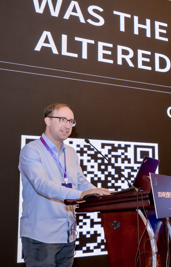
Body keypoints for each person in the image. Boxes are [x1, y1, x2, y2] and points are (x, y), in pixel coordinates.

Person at [19, 103, 113, 267]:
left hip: (68, 235)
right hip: (41, 237)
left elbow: (80, 182)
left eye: (71, 121)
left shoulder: (71, 152)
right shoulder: (31, 150)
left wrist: (101, 193)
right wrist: (80, 195)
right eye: (62, 119)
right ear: (47, 120)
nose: (67, 125)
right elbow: (42, 185)